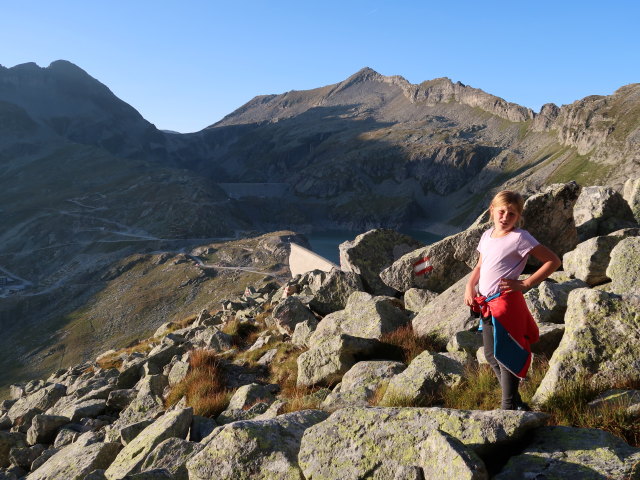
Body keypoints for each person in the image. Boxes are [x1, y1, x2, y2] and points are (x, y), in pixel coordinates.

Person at [464, 190, 561, 410]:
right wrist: (470, 286)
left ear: (519, 217)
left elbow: (553, 261)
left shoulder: (520, 238)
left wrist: (526, 284)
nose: (505, 217)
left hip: (505, 304)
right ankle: (516, 401)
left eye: (512, 214)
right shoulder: (487, 235)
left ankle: (507, 406)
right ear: (492, 211)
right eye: (502, 211)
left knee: (505, 354)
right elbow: (480, 266)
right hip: (487, 304)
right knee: (490, 354)